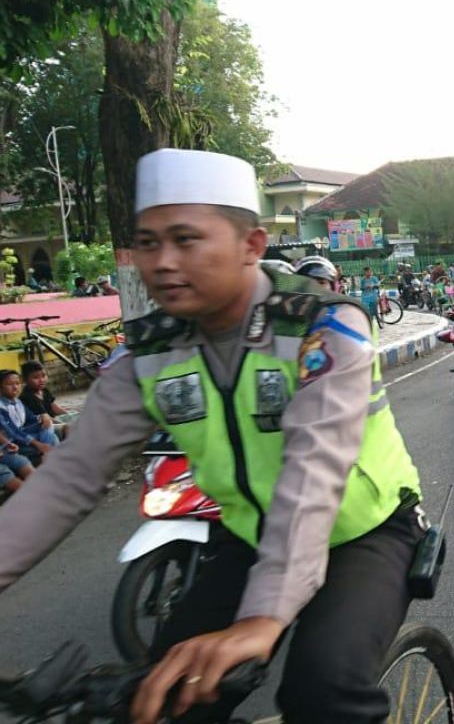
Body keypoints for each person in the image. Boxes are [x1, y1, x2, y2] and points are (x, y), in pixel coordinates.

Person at [0, 148, 424, 724]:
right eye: (148, 243)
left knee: (322, 693)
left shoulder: (321, 328)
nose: (164, 262)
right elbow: (68, 480)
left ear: (251, 245)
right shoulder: (148, 355)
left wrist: (262, 618)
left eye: (186, 239)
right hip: (247, 539)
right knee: (163, 697)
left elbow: (312, 475)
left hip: (366, 534)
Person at [19, 361, 70, 439]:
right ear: (25, 380)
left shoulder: (44, 390)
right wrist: (64, 423)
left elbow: (54, 407)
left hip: (53, 421)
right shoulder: (27, 396)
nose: (41, 380)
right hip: (43, 426)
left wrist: (69, 416)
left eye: (44, 376)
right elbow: (45, 417)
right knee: (69, 428)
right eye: (36, 378)